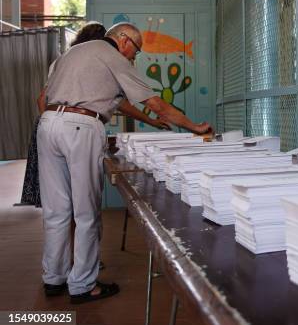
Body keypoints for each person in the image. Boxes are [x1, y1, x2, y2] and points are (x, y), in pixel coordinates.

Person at [38, 22, 212, 304]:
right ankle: (82, 285)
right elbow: (154, 102)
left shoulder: (73, 53)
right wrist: (194, 127)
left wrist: (150, 123)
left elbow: (50, 98)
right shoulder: (112, 55)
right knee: (86, 212)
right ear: (123, 40)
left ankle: (53, 279)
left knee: (56, 209)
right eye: (136, 51)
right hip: (81, 126)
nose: (134, 58)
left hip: (48, 124)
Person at [20, 22, 168, 208]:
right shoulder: (104, 56)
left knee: (57, 205)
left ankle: (67, 236)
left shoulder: (65, 58)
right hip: (75, 128)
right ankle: (76, 235)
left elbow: (43, 99)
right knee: (83, 204)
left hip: (47, 126)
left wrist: (53, 123)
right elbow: (140, 102)